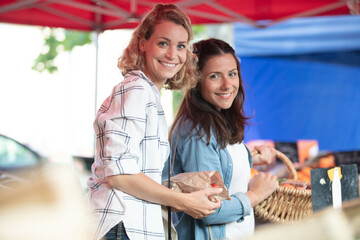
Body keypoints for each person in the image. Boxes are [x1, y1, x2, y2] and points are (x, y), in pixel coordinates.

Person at [87, 5, 222, 240]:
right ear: (142, 44)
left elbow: (131, 171)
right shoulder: (136, 89)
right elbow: (120, 175)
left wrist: (181, 185)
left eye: (180, 46)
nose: (173, 55)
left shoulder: (148, 93)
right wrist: (185, 201)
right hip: (123, 227)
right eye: (163, 43)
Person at [163, 38, 279, 240]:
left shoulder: (219, 119)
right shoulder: (197, 132)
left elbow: (222, 170)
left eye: (232, 74)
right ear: (196, 81)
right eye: (215, 76)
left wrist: (250, 158)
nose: (227, 85)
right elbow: (210, 208)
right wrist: (256, 195)